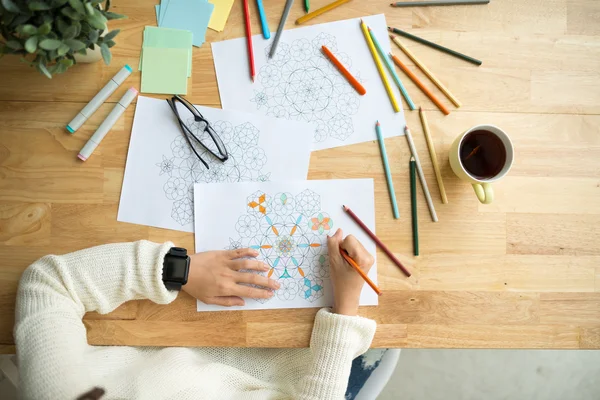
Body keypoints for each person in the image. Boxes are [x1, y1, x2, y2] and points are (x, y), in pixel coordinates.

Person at [15, 228, 379, 400]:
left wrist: (176, 270)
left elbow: (48, 285)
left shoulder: (57, 392)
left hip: (151, 329)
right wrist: (346, 304)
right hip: (299, 360)